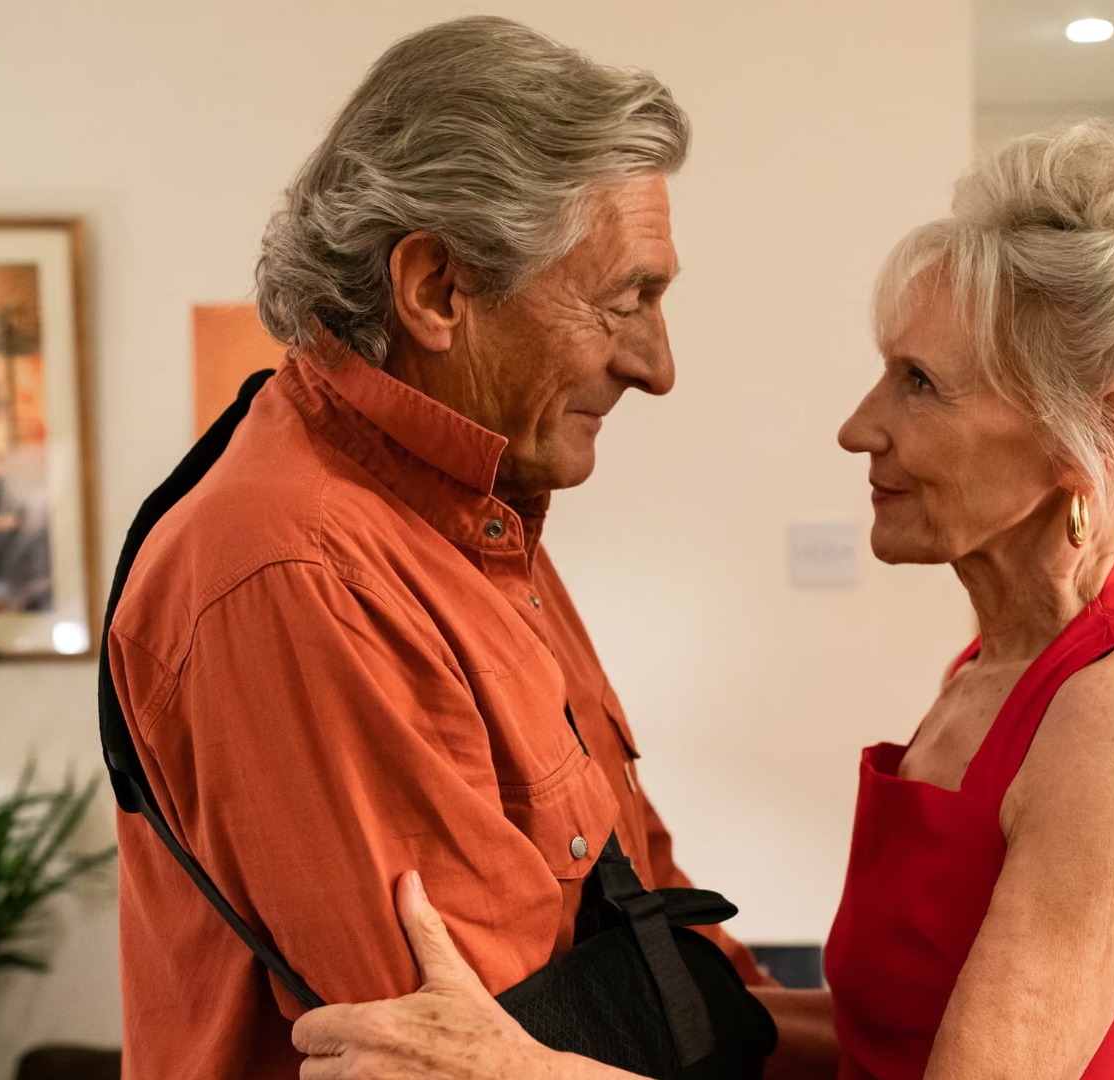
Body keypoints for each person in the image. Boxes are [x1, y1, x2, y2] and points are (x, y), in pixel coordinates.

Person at [291, 122, 1114, 1080]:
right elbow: (891, 1039)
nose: (857, 426)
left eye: (920, 384)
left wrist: (515, 1075)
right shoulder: (991, 667)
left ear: (1096, 433)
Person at [105, 18, 780, 1080]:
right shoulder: (304, 571)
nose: (657, 366)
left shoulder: (478, 516)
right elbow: (484, 1051)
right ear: (437, 290)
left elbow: (648, 945)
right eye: (626, 301)